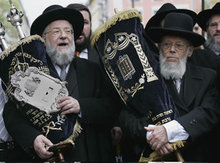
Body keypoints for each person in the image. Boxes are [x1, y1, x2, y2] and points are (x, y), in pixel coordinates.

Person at [3, 5, 120, 162]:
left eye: (68, 31)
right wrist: (33, 138)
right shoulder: (31, 74)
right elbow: (11, 115)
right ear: (43, 39)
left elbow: (112, 106)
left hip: (92, 154)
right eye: (56, 31)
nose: (64, 36)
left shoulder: (92, 69)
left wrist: (81, 106)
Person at [145, 12, 220, 161]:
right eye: (167, 44)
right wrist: (152, 135)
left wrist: (169, 131)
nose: (172, 49)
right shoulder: (147, 78)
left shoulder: (208, 77)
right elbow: (128, 118)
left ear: (190, 51)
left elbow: (209, 112)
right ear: (159, 48)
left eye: (179, 45)